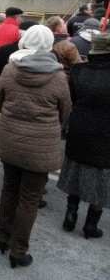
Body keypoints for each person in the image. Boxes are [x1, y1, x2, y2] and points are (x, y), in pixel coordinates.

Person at [0, 25, 71, 268]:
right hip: (40, 148)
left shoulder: (9, 69)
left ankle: (3, 237)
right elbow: (65, 111)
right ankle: (18, 251)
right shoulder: (58, 77)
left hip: (10, 141)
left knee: (9, 189)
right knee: (29, 199)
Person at [57, 32, 110, 241]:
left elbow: (71, 100)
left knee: (77, 171)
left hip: (79, 128)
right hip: (105, 134)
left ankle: (70, 216)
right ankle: (90, 225)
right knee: (101, 177)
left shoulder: (78, 71)